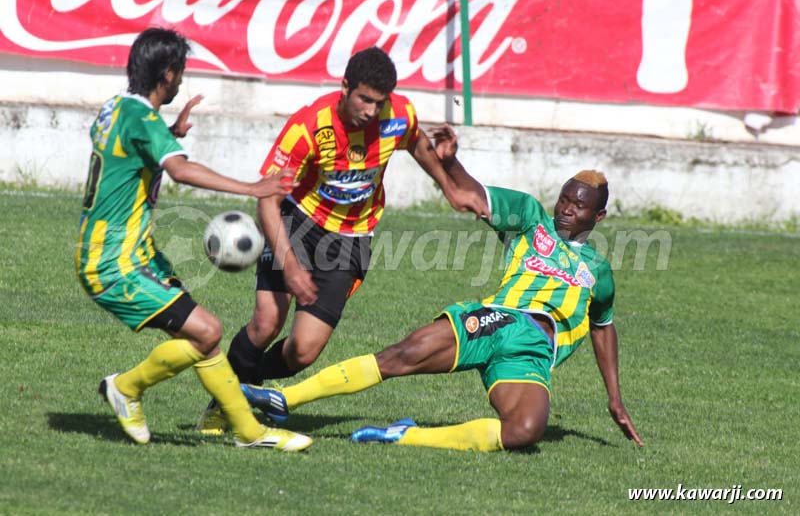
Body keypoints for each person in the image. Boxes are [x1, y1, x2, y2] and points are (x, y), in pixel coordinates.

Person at [242, 165, 644, 452]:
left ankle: (406, 435)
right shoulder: (530, 219)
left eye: (579, 205)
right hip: (499, 321)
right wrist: (449, 161)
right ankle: (285, 400)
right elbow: (474, 194)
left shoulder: (598, 271)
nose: (567, 209)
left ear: (599, 216)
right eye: (564, 199)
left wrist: (615, 398)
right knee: (401, 357)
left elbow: (602, 327)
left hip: (534, 353)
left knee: (524, 431)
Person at [197, 46, 487, 433]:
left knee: (303, 351)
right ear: (345, 87)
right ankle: (224, 403)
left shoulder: (398, 115)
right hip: (297, 223)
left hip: (351, 239)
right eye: (364, 99)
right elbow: (269, 198)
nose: (370, 110)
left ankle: (243, 388)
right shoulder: (308, 126)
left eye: (378, 102)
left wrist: (449, 186)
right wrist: (291, 265)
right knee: (267, 322)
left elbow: (416, 142)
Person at [75, 27, 311, 451]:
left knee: (204, 337)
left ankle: (249, 433)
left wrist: (170, 134)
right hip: (114, 263)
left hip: (133, 255)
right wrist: (254, 188)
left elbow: (127, 149)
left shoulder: (117, 110)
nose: (182, 80)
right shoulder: (142, 120)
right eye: (180, 72)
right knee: (207, 331)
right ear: (167, 73)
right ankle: (126, 388)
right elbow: (182, 171)